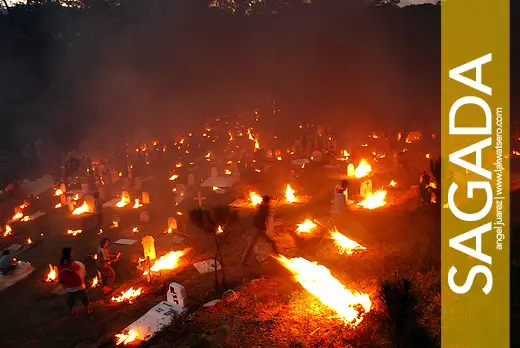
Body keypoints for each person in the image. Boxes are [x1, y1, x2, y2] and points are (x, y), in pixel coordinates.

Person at [240, 195, 279, 266]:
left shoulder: (263, 207)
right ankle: (278, 256)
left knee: (269, 242)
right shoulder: (262, 209)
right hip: (258, 229)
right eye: (267, 202)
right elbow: (260, 219)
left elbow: (265, 217)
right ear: (265, 201)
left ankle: (243, 262)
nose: (268, 203)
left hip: (258, 229)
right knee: (270, 242)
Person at [57, 248, 93, 315]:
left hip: (69, 287)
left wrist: (63, 284)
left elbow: (61, 276)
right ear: (70, 254)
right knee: (84, 298)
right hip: (78, 285)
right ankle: (88, 310)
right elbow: (78, 269)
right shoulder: (73, 263)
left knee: (71, 300)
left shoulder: (60, 265)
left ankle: (71, 311)